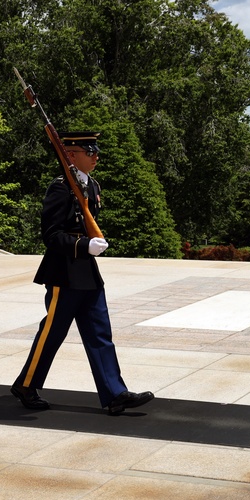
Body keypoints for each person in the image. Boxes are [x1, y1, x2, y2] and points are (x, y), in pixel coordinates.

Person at [11, 131, 154, 415]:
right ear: (71, 155)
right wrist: (84, 244)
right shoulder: (61, 187)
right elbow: (51, 235)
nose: (96, 156)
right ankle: (26, 385)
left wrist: (91, 244)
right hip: (64, 273)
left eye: (96, 151)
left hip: (87, 273)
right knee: (52, 334)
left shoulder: (90, 185)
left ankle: (115, 393)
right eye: (90, 151)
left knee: (100, 334)